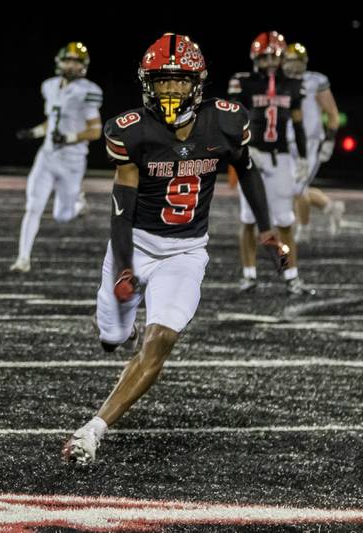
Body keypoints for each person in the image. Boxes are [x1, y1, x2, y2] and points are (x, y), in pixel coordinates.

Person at [62, 33, 288, 465]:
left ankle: (93, 429)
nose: (170, 91)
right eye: (162, 82)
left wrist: (267, 230)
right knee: (111, 338)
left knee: (160, 339)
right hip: (136, 245)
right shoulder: (132, 131)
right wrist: (126, 268)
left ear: (197, 83)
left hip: (185, 253)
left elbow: (247, 168)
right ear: (147, 84)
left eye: (179, 82)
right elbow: (120, 212)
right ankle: (120, 330)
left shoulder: (223, 121)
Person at [228, 31, 313, 295]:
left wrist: (302, 156)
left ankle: (290, 274)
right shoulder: (243, 82)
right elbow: (232, 121)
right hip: (252, 155)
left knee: (285, 221)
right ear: (255, 57)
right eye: (264, 57)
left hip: (281, 157)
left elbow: (297, 124)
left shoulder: (293, 84)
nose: (269, 63)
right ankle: (249, 275)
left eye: (273, 57)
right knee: (249, 219)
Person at [11, 42, 103, 273]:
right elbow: (51, 123)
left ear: (83, 65)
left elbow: (95, 130)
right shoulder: (50, 86)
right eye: (67, 60)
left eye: (75, 61)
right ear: (59, 62)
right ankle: (23, 258)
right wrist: (34, 132)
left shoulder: (89, 91)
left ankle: (78, 204)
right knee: (33, 206)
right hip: (47, 156)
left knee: (62, 216)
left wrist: (70, 137)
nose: (70, 65)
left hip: (73, 161)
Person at [282, 42, 344, 242]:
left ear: (305, 62)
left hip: (309, 142)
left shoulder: (315, 81)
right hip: (286, 141)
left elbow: (332, 113)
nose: (293, 65)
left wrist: (329, 141)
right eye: (290, 61)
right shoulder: (279, 81)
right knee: (294, 187)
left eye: (297, 61)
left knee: (298, 188)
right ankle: (330, 207)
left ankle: (304, 229)